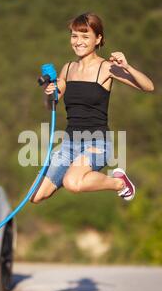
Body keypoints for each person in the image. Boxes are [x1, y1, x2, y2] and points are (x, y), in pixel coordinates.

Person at [30, 12, 154, 204]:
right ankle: (71, 171)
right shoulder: (68, 68)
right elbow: (51, 104)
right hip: (69, 144)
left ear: (98, 39)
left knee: (72, 183)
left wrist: (127, 67)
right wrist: (49, 93)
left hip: (96, 143)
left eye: (85, 36)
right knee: (35, 196)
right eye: (74, 36)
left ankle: (119, 183)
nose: (78, 41)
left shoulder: (106, 68)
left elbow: (148, 86)